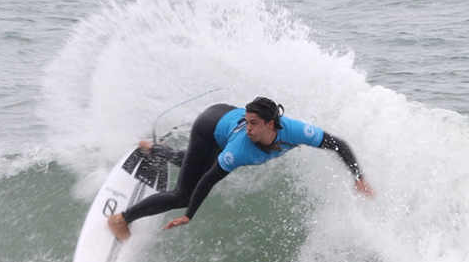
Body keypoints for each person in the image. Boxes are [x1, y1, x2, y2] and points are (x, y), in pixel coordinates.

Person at [108, 97, 373, 241]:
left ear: (272, 124)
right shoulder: (239, 150)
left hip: (224, 117)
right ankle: (121, 219)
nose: (249, 129)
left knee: (194, 162)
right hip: (208, 127)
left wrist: (358, 177)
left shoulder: (296, 131)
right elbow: (210, 180)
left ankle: (152, 148)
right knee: (184, 192)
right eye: (246, 122)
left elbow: (337, 144)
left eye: (254, 123)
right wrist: (189, 214)